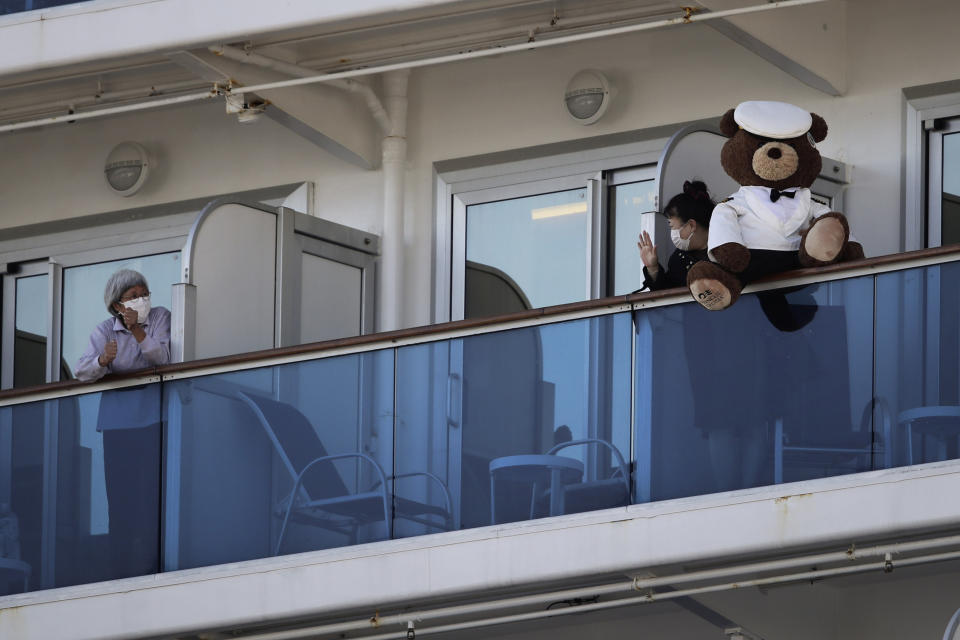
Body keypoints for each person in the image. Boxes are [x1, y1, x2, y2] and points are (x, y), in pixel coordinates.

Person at [75, 269, 170, 579]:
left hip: (154, 417)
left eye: (144, 293)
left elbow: (165, 358)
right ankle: (121, 567)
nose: (141, 300)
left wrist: (139, 332)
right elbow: (82, 372)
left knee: (151, 493)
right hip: (118, 423)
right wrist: (103, 361)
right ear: (117, 305)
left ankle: (154, 561)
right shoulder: (104, 330)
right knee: (120, 498)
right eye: (133, 296)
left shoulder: (158, 318)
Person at [637, 180, 714, 291]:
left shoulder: (726, 248)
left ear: (691, 225)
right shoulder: (679, 259)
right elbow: (664, 293)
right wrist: (653, 268)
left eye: (672, 226)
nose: (671, 232)